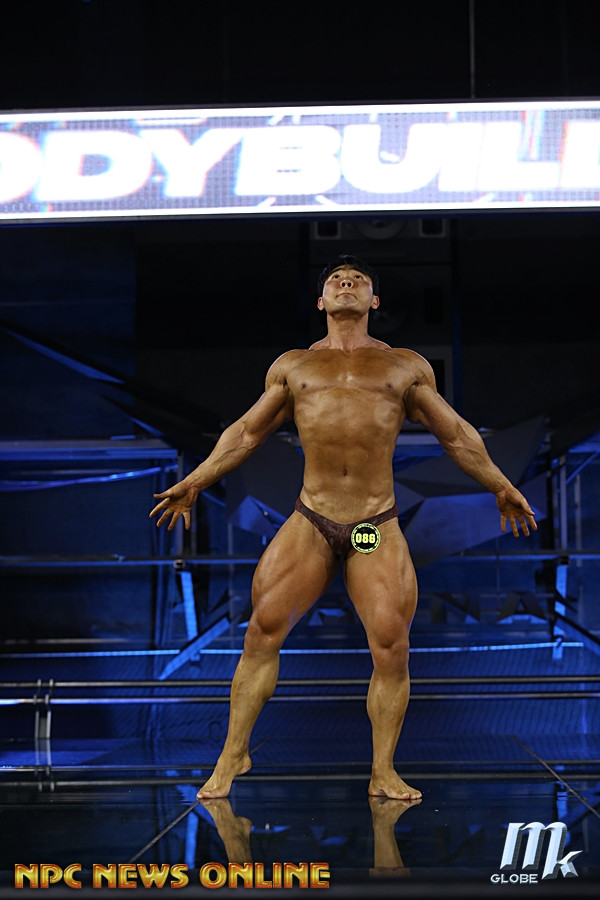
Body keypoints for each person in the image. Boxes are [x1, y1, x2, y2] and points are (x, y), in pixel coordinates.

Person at [150, 254, 537, 801]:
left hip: (373, 524)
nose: (346, 282)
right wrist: (195, 481)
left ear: (374, 301)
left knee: (391, 646)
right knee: (262, 631)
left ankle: (383, 770)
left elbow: (455, 433)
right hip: (312, 517)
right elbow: (245, 433)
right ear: (321, 302)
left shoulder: (404, 367)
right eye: (335, 279)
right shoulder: (294, 367)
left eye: (358, 280)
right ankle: (233, 752)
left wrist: (500, 484)